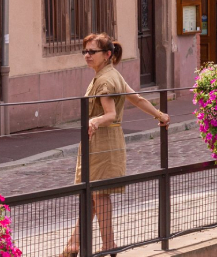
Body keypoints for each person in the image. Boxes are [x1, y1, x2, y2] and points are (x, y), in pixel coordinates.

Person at [62, 34, 169, 257]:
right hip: (105, 140)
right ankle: (74, 244)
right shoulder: (111, 75)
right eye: (85, 51)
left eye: (92, 52)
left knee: (98, 194)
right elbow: (137, 99)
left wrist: (95, 120)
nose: (87, 56)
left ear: (107, 54)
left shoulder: (105, 79)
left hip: (101, 140)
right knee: (93, 193)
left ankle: (107, 244)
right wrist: (160, 115)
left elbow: (109, 114)